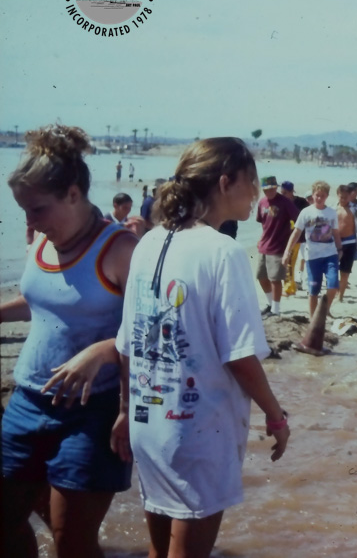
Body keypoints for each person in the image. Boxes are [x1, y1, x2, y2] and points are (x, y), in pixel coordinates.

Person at [115, 137, 289, 558]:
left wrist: (123, 410)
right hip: (198, 432)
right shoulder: (223, 252)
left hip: (147, 424)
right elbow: (240, 357)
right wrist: (275, 414)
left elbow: (128, 345)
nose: (254, 193)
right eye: (250, 182)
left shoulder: (149, 243)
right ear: (226, 182)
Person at [2, 124, 138, 558]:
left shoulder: (121, 249)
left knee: (70, 540)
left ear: (74, 194)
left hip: (93, 412)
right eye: (23, 211)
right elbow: (40, 303)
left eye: (38, 209)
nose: (30, 222)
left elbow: (155, 335)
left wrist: (104, 355)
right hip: (26, 402)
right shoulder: (42, 241)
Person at [283, 181, 340, 326]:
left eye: (322, 196)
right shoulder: (306, 212)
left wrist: (340, 250)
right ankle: (312, 319)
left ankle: (324, 310)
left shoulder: (332, 213)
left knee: (333, 285)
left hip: (330, 254)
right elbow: (296, 233)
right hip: (312, 256)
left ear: (327, 196)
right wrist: (287, 252)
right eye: (317, 195)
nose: (319, 198)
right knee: (313, 289)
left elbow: (336, 233)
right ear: (312, 195)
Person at [255, 175, 298, 315]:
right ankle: (270, 303)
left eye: (272, 189)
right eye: (267, 189)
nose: (270, 192)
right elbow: (262, 222)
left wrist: (290, 240)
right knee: (261, 277)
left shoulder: (285, 202)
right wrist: (261, 239)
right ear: (263, 190)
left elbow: (298, 221)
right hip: (264, 246)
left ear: (276, 188)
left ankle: (276, 310)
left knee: (275, 279)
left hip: (279, 247)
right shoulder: (262, 203)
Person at [279, 180, 308, 297]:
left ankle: (289, 288)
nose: (282, 195)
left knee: (290, 262)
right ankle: (289, 286)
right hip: (284, 237)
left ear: (291, 192)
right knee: (287, 262)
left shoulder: (301, 202)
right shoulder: (281, 202)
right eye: (281, 192)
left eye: (285, 192)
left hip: (297, 237)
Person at [335, 184, 357, 303]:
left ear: (350, 196)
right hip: (334, 242)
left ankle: (341, 296)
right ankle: (333, 292)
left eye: (345, 197)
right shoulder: (332, 209)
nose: (343, 200)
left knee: (345, 271)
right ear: (337, 196)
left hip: (350, 242)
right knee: (332, 269)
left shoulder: (355, 209)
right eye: (341, 197)